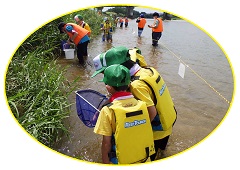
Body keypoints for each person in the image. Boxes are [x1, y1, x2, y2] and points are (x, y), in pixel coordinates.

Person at [91, 46, 177, 161]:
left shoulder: (136, 85)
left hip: (157, 132)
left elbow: (151, 112)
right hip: (169, 119)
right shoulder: (147, 70)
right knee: (161, 154)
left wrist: (133, 132)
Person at [94, 64, 155, 164]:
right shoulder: (142, 104)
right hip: (144, 159)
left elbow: (106, 143)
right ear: (129, 84)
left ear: (108, 87)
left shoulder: (108, 110)